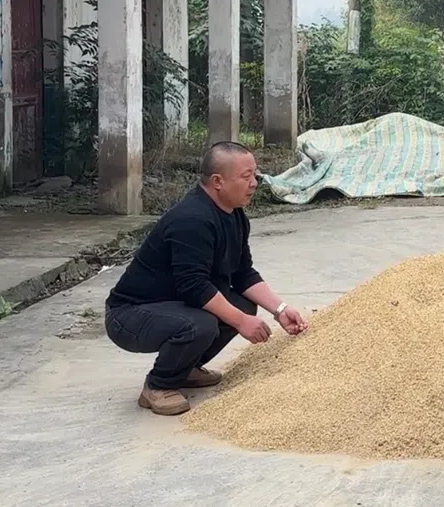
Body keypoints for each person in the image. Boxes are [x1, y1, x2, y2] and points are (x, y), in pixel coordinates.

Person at [104, 141, 307, 416]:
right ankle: (158, 386)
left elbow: (243, 273)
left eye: (255, 175)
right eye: (246, 177)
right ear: (217, 182)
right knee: (202, 324)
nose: (254, 183)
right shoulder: (192, 220)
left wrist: (280, 310)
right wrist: (240, 322)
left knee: (243, 306)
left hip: (172, 306)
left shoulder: (235, 216)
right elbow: (194, 286)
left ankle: (185, 369)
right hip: (130, 315)